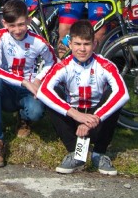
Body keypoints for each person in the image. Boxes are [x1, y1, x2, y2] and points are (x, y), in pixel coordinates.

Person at [37, 20, 128, 175]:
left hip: (97, 119)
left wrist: (94, 118)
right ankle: (75, 153)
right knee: (52, 95)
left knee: (113, 96)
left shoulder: (106, 64)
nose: (82, 49)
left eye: (86, 44)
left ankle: (99, 153)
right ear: (70, 44)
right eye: (77, 44)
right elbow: (42, 91)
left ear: (94, 44)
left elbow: (123, 94)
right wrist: (76, 115)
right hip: (73, 118)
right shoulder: (62, 66)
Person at [0, 0, 55, 167]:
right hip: (7, 87)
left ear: (29, 20)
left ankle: (24, 118)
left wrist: (38, 80)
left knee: (36, 112)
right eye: (12, 25)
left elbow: (53, 62)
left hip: (27, 90)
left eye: (21, 24)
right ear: (4, 23)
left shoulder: (38, 41)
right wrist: (23, 81)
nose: (17, 30)